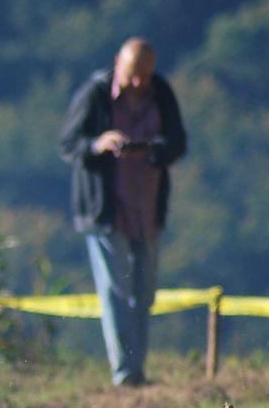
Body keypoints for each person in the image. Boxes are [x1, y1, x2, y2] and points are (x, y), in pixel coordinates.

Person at [58, 38, 188, 386]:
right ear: (118, 63)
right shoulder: (94, 94)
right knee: (116, 290)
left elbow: (179, 142)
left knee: (144, 292)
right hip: (107, 211)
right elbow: (68, 144)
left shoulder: (161, 92)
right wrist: (99, 144)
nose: (138, 83)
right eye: (132, 74)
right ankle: (125, 373)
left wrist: (154, 148)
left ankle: (137, 367)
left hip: (147, 208)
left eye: (144, 76)